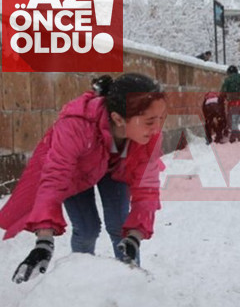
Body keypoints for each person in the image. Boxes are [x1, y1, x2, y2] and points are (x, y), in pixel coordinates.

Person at [0, 73, 166, 283]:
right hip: (78, 173)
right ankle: (80, 282)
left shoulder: (147, 136)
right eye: (150, 121)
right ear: (117, 118)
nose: (157, 128)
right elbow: (55, 179)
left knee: (121, 227)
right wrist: (44, 242)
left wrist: (135, 237)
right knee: (87, 229)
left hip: (115, 169)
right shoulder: (76, 125)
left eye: (160, 118)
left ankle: (131, 283)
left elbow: (147, 190)